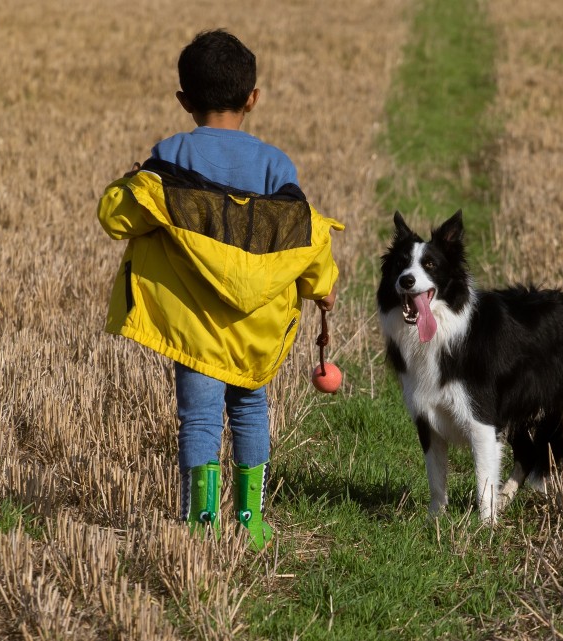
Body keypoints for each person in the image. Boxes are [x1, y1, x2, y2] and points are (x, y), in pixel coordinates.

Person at [97, 29, 343, 551]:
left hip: (194, 327)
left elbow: (118, 219)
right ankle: (250, 519)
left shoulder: (170, 157)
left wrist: (128, 184)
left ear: (184, 101)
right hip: (256, 328)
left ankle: (199, 523)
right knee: (252, 410)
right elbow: (303, 233)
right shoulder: (277, 166)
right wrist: (322, 288)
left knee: (200, 418)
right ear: (252, 98)